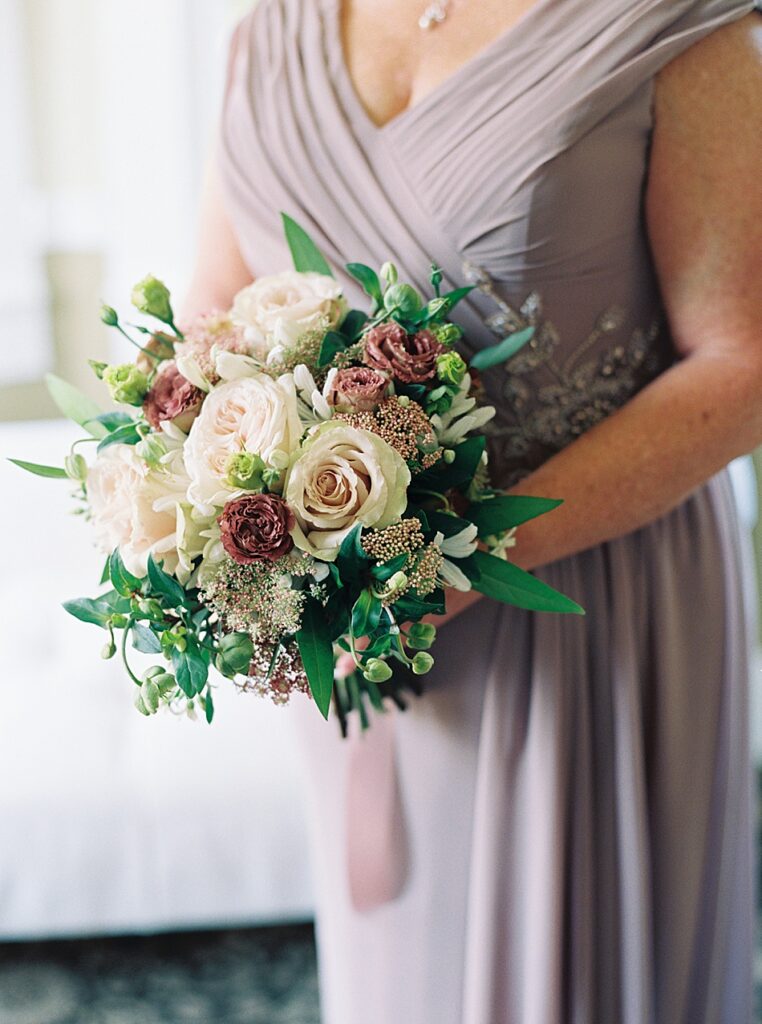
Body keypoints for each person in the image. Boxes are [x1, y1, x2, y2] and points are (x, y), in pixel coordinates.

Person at [184, 1, 762, 1020]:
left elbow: (743, 361)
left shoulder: (680, 25)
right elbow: (210, 324)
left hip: (592, 597)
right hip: (368, 629)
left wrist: (470, 553)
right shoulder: (266, 35)